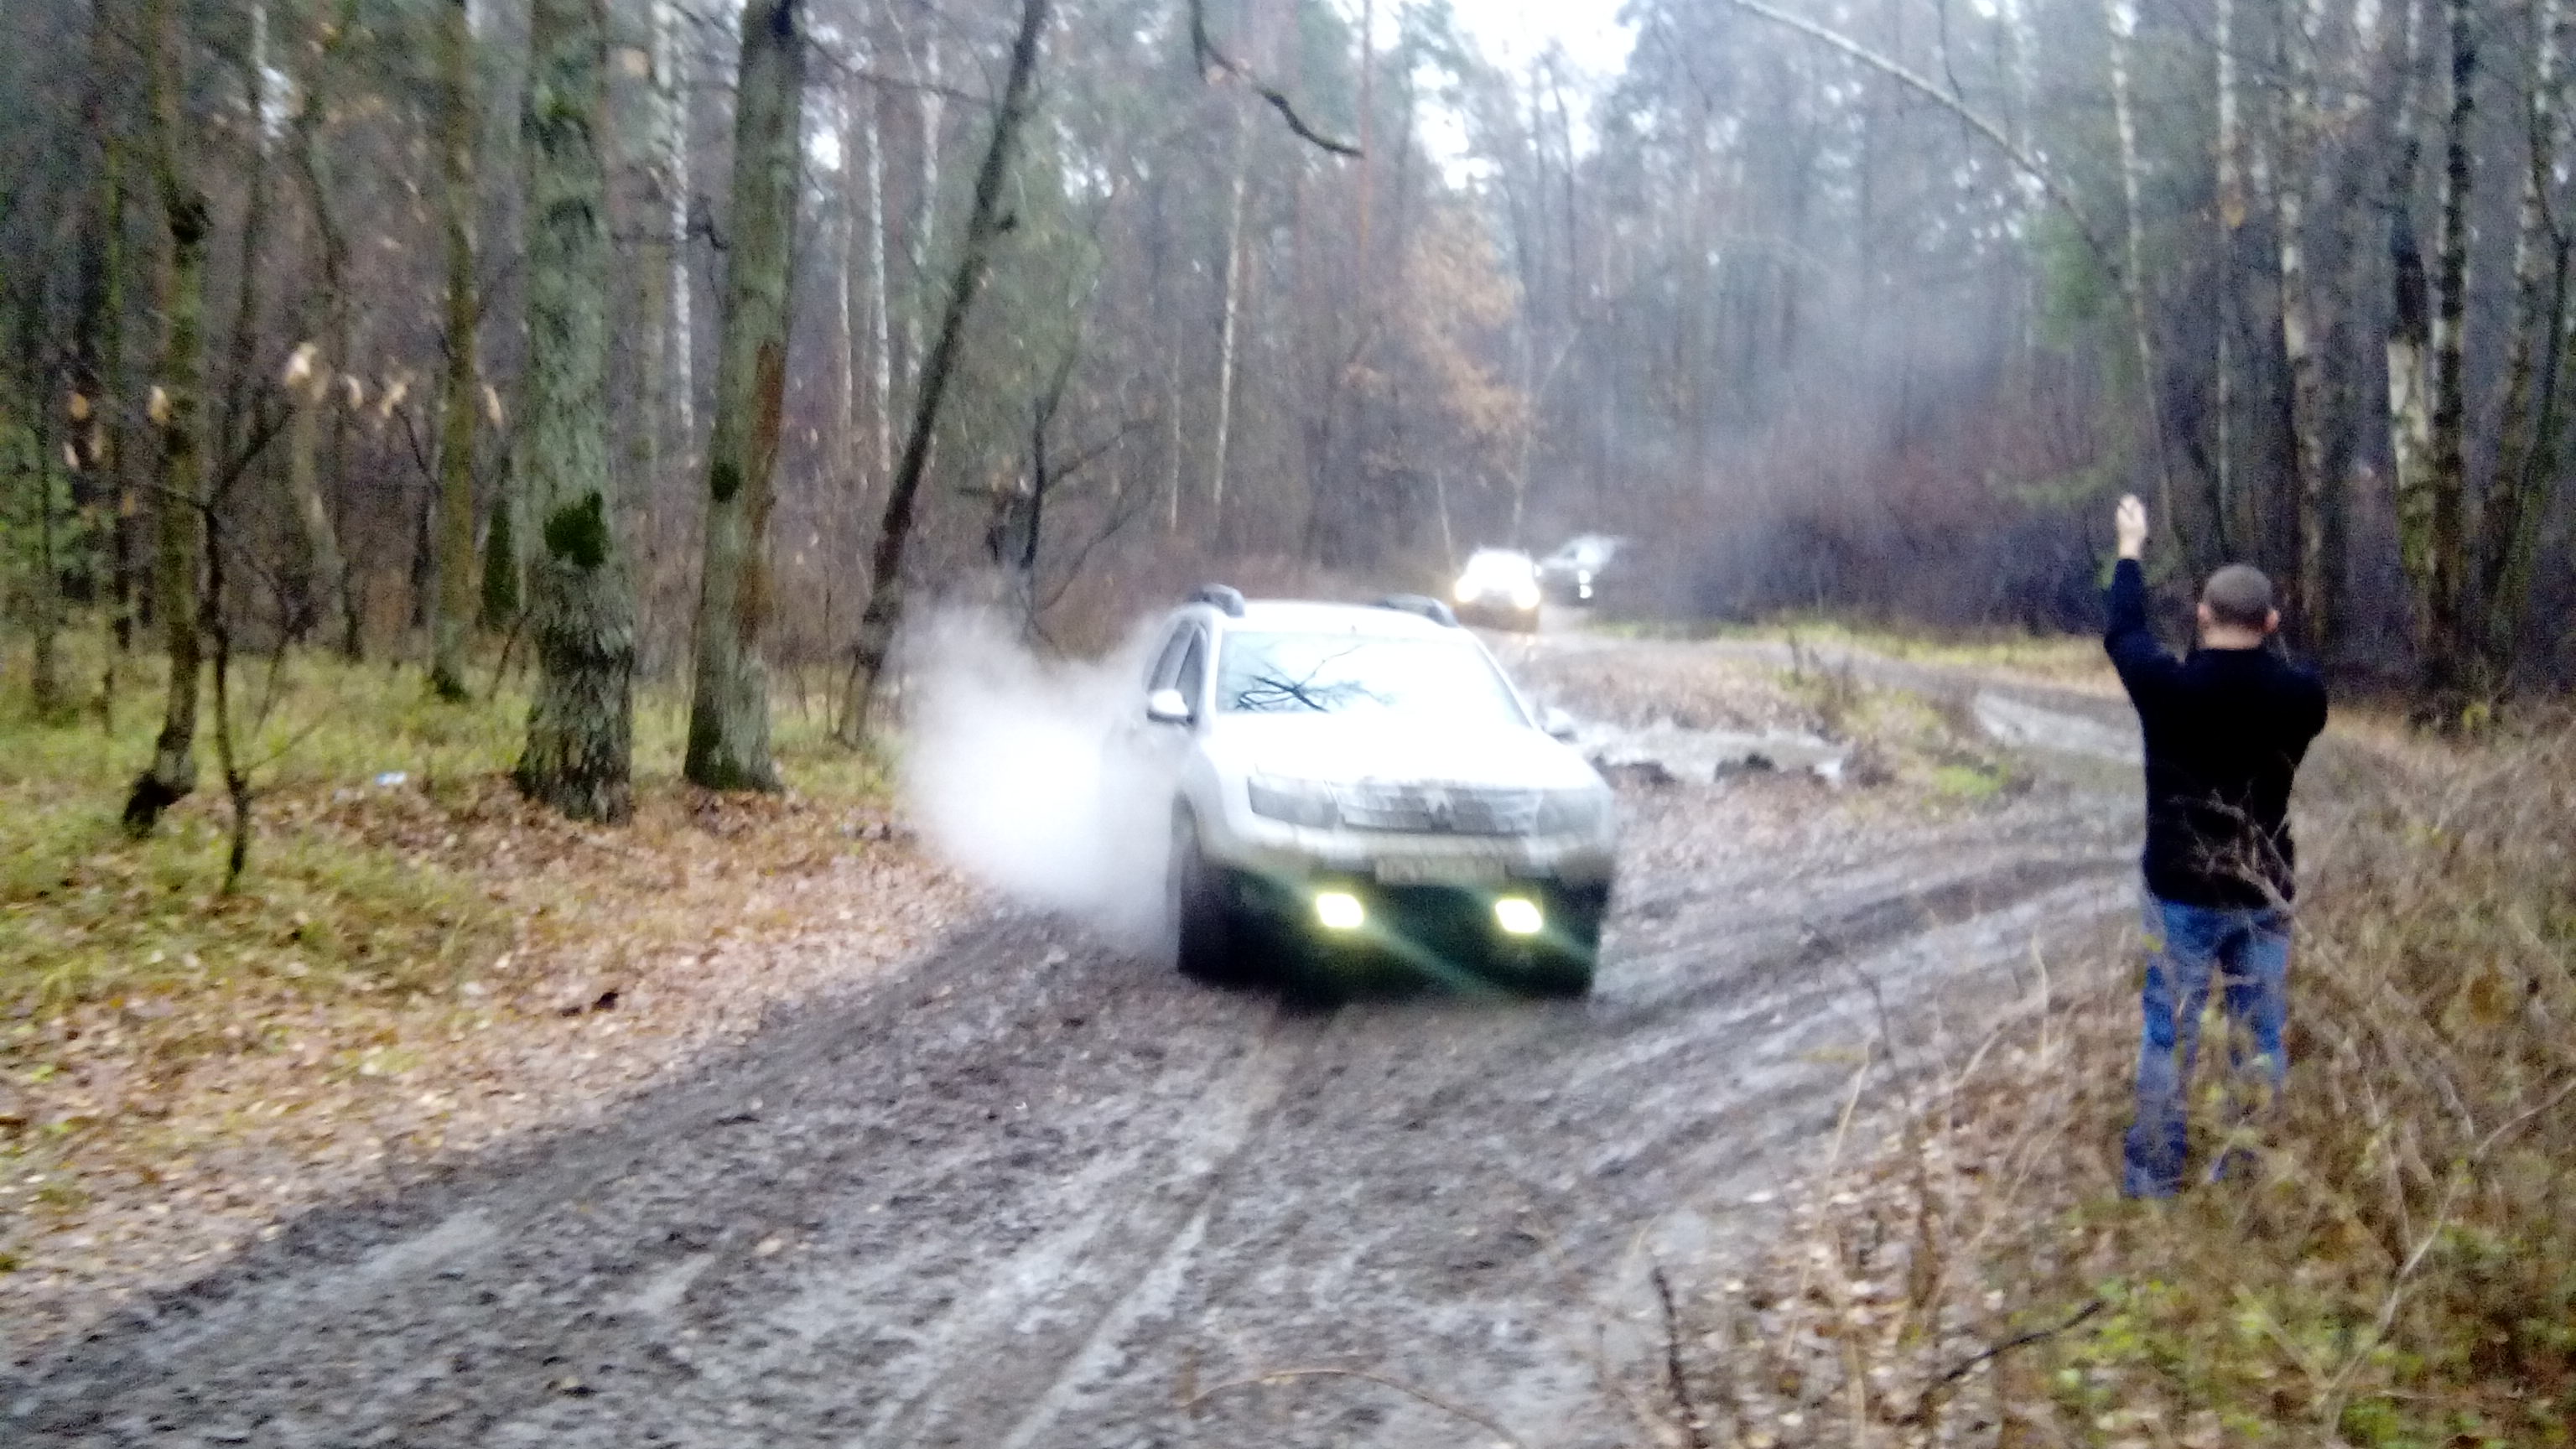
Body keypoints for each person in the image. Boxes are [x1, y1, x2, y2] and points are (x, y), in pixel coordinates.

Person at [2104, 495, 2329, 1198]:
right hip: (2264, 891)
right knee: (2259, 1037)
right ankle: (2245, 1176)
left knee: (2169, 1038)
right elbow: (2292, 672)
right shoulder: (2303, 698)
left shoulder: (2168, 689)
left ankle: (2154, 1184)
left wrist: (2131, 548)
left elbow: (2124, 631)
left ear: (2202, 616)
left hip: (2180, 893)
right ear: (2271, 624)